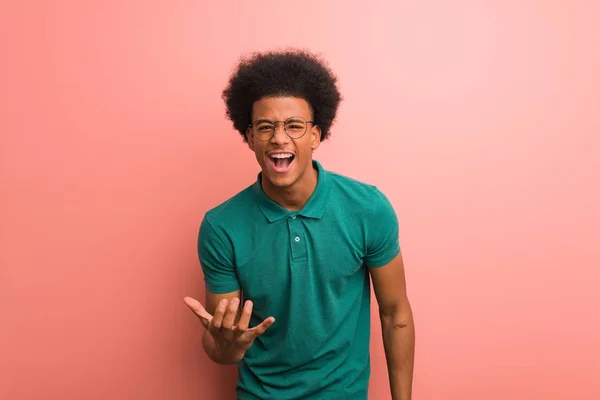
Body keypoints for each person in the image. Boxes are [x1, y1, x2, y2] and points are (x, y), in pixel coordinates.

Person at [184, 49, 415, 400]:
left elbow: (395, 314)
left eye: (294, 125)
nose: (279, 138)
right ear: (249, 137)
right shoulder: (221, 226)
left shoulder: (367, 208)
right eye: (265, 127)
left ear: (316, 135)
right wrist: (226, 345)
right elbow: (224, 347)